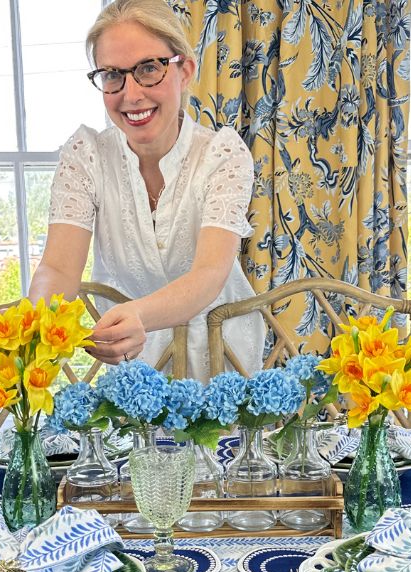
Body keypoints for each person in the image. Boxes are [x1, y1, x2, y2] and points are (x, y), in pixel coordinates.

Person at [28, 0, 265, 381]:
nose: (131, 94)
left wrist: (139, 314)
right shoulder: (85, 155)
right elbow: (57, 268)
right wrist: (31, 329)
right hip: (130, 361)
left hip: (223, 355)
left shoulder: (223, 153)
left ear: (184, 70)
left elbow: (209, 273)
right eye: (112, 75)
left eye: (149, 69)